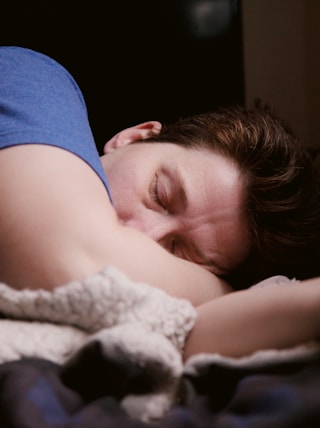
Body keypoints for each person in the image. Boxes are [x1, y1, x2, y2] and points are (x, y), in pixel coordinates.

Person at [1, 46, 320, 361]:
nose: (142, 235)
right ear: (134, 138)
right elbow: (72, 261)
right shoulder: (32, 81)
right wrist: (223, 292)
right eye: (159, 195)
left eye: (178, 252)